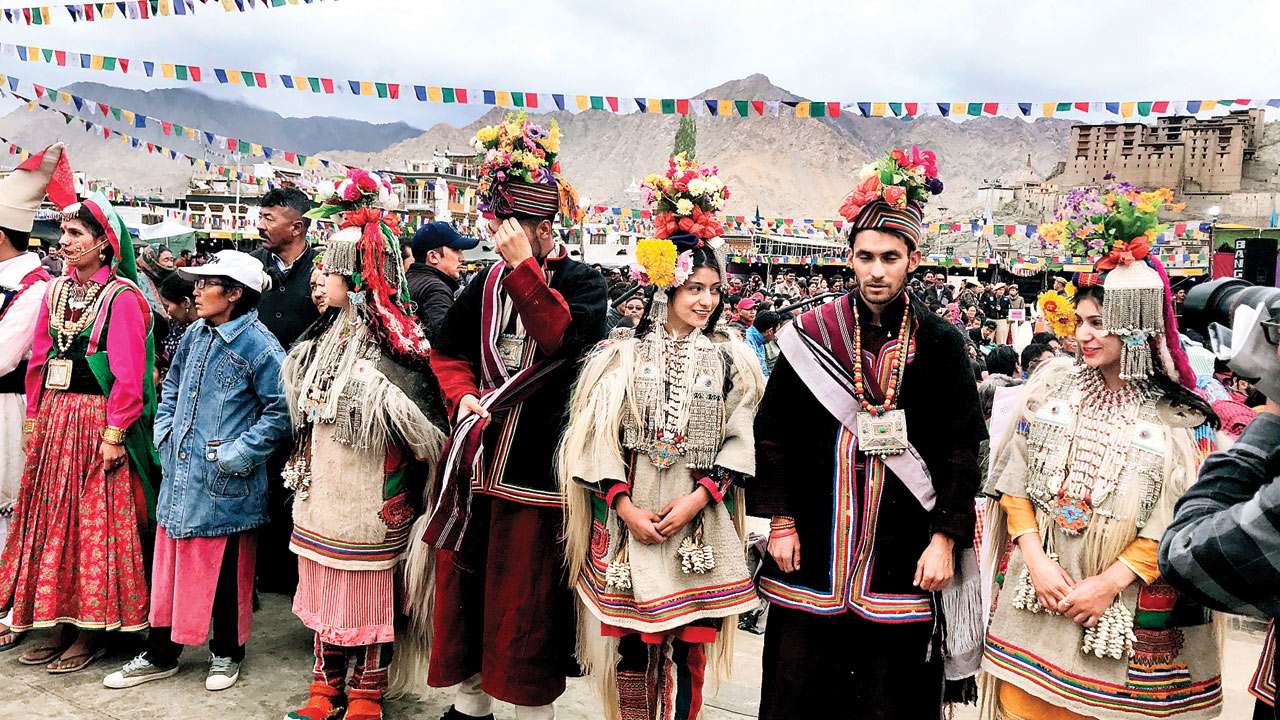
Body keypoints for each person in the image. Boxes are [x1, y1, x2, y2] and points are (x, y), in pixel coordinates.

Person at [753, 146, 986, 718]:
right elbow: (772, 434)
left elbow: (963, 449)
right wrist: (781, 522)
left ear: (913, 258)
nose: (876, 270)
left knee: (891, 702)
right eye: (864, 256)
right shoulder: (809, 334)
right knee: (799, 699)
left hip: (905, 556)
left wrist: (946, 539)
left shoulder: (941, 343)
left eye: (889, 256)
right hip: (810, 553)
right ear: (849, 259)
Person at [981, 186, 1223, 720]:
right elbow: (1013, 483)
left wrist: (1109, 583)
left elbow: (1180, 519)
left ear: (1136, 325)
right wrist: (1037, 562)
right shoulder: (1048, 389)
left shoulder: (1180, 418)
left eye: (1098, 323)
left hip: (1125, 608)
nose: (1083, 337)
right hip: (1041, 592)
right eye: (1079, 323)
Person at [560, 157, 762, 720]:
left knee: (691, 649)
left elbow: (739, 439)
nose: (705, 300)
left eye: (713, 290)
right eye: (693, 288)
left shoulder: (734, 361)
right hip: (634, 520)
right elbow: (597, 441)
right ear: (665, 287)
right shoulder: (619, 357)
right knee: (633, 648)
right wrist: (623, 507)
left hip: (700, 520)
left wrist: (700, 497)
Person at [424, 113, 607, 720]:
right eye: (522, 222)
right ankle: (470, 706)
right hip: (475, 464)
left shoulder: (584, 284)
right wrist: (462, 397)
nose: (535, 233)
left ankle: (531, 711)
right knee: (466, 595)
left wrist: (527, 268)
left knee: (526, 607)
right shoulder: (480, 285)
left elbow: (558, 338)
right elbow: (446, 353)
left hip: (538, 476)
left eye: (542, 222)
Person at [281, 172, 446, 720]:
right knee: (326, 590)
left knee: (373, 596)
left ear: (360, 277)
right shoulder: (318, 340)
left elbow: (424, 437)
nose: (319, 279)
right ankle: (324, 686)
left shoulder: (398, 354)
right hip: (322, 495)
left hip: (372, 500)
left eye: (332, 270)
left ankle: (368, 693)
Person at [102, 251, 290, 692]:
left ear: (235, 294)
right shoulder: (195, 334)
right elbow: (171, 385)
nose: (197, 291)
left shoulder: (261, 347)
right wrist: (165, 433)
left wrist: (237, 454)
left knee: (225, 571)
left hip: (226, 482)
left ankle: (227, 653)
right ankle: (161, 652)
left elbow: (280, 414)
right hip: (181, 474)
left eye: (208, 284)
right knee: (169, 567)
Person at [0, 190, 161, 673]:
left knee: (94, 531)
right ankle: (57, 622)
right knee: (52, 525)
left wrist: (114, 434)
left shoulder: (124, 298)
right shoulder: (55, 291)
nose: (64, 242)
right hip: (56, 422)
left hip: (96, 424)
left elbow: (130, 375)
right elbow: (40, 362)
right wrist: (34, 419)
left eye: (76, 234)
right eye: (64, 233)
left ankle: (91, 632)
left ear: (104, 243)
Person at [0, 144, 67, 651]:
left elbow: (3, 357)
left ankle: (7, 604)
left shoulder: (35, 286)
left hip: (9, 408)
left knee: (7, 504)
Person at [251, 186, 318, 595]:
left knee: (298, 480)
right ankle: (263, 569)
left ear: (296, 227)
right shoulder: (250, 266)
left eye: (269, 219)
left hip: (306, 396)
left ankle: (296, 572)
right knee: (260, 476)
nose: (260, 225)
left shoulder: (322, 269)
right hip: (256, 395)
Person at [407, 221, 478, 342]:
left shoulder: (409, 278)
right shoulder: (435, 289)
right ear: (433, 257)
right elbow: (447, 341)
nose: (462, 258)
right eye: (456, 250)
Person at [155, 273, 196, 385]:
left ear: (185, 302)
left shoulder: (197, 335)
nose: (168, 312)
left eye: (168, 306)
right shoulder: (177, 326)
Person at [746, 309, 783, 377]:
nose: (776, 336)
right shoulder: (746, 343)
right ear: (770, 331)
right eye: (777, 332)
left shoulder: (761, 342)